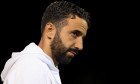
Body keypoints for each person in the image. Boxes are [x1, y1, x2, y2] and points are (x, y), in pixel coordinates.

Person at [1, 0, 90, 84]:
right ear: (50, 30)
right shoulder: (31, 68)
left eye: (82, 37)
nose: (80, 46)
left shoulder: (44, 68)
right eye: (75, 33)